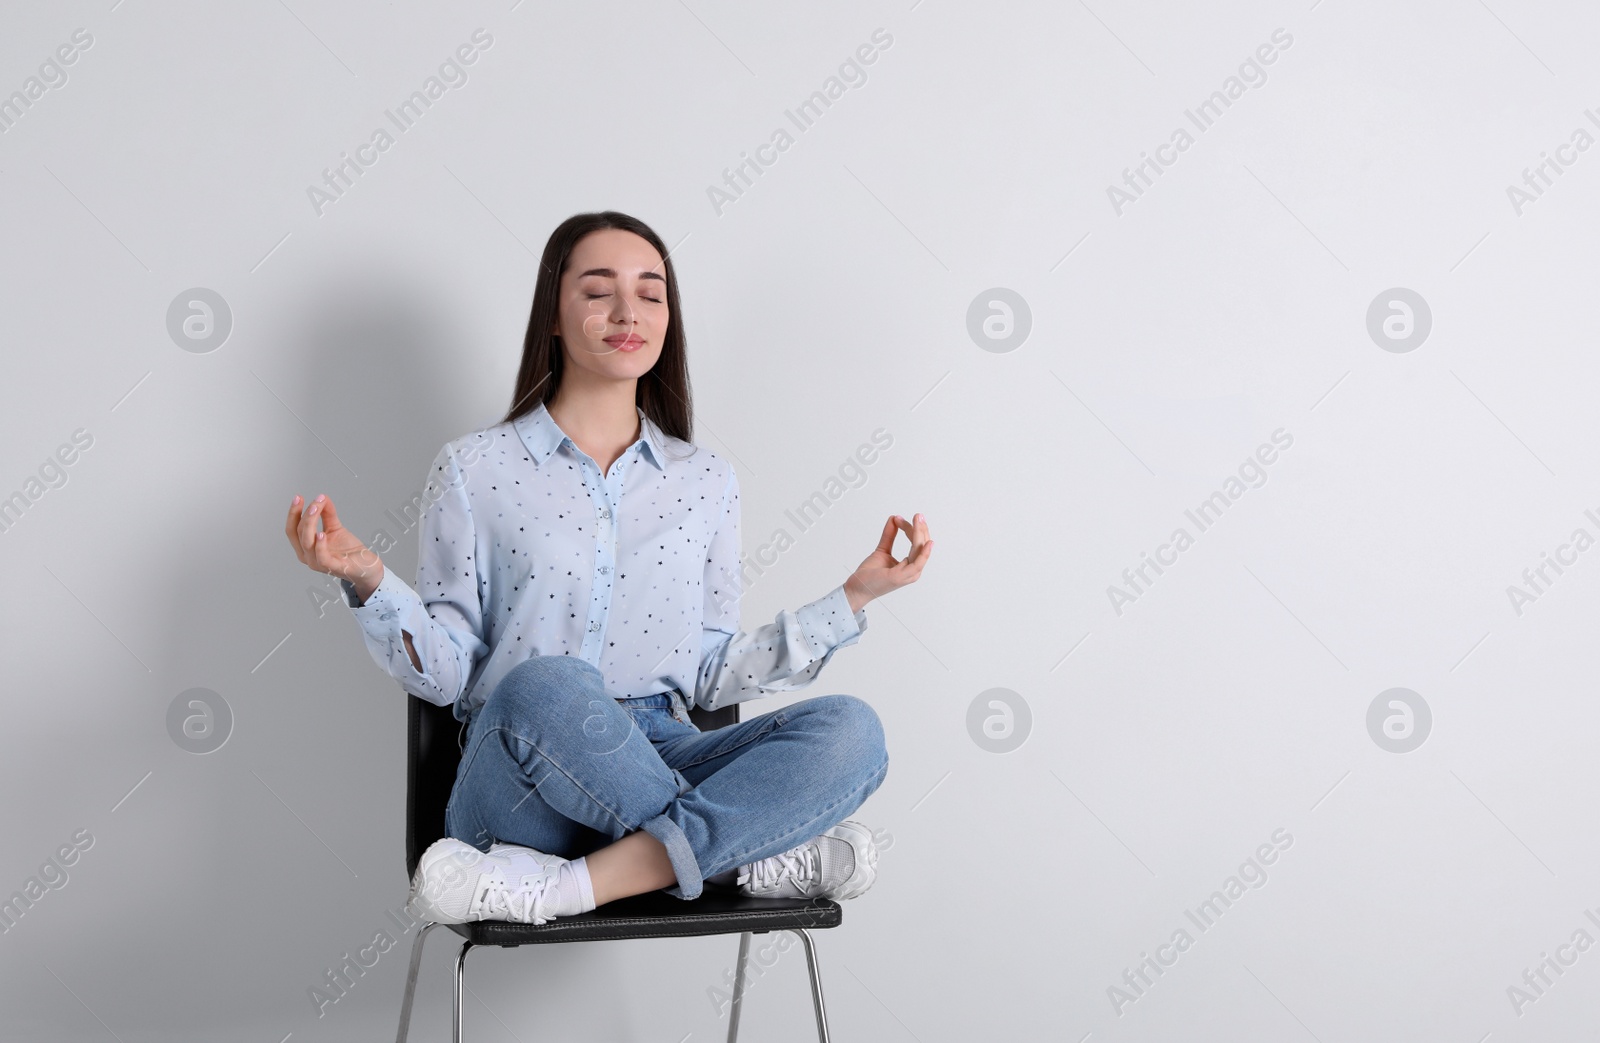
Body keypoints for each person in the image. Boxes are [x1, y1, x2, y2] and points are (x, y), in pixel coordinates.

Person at [284, 210, 933, 926]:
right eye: (598, 291)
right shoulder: (474, 468)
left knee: (852, 729)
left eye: (651, 293)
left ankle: (579, 883)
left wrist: (855, 595)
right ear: (554, 317)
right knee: (552, 683)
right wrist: (370, 580)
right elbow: (448, 674)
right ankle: (739, 856)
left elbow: (712, 672)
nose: (629, 311)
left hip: (662, 746)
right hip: (523, 770)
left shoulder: (707, 481)